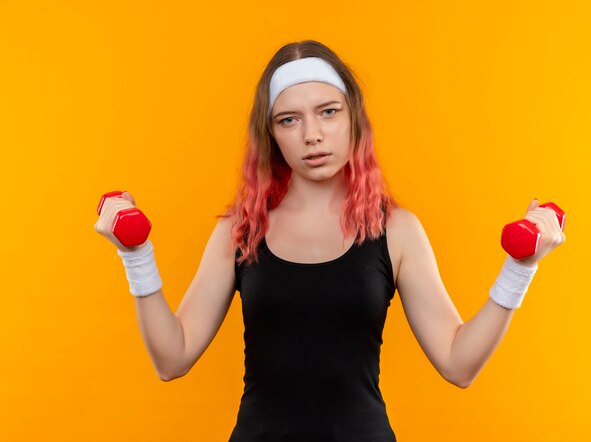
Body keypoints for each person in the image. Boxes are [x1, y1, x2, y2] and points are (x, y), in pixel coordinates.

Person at [94, 40, 566, 441]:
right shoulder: (239, 232)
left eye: (327, 112)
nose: (312, 135)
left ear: (353, 119)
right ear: (271, 134)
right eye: (289, 120)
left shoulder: (396, 231)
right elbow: (172, 358)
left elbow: (458, 364)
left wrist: (520, 268)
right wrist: (137, 255)